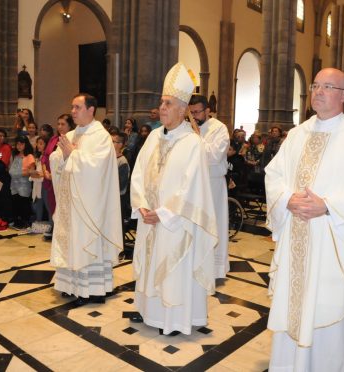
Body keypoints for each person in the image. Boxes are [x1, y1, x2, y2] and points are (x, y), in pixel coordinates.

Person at [265, 67, 344, 371]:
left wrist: (328, 207)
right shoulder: (297, 134)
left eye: (328, 87)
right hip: (297, 232)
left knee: (329, 309)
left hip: (335, 242)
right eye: (315, 85)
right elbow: (274, 174)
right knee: (294, 310)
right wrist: (287, 198)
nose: (318, 91)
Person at [130, 62, 217, 335]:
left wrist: (165, 213)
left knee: (173, 270)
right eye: (161, 103)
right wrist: (142, 205)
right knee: (150, 264)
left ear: (182, 109)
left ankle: (175, 320)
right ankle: (149, 313)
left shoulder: (193, 143)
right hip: (150, 218)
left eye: (168, 103)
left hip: (177, 223)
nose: (162, 108)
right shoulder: (154, 137)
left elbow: (192, 188)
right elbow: (138, 173)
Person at [49, 93, 122, 304]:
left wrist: (73, 154)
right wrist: (61, 156)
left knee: (85, 243)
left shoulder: (100, 136)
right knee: (70, 242)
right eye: (72, 107)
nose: (73, 111)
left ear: (91, 110)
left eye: (77, 107)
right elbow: (58, 159)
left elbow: (97, 168)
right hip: (70, 203)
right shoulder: (72, 134)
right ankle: (70, 284)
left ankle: (91, 288)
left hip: (89, 205)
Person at [188, 93, 230, 279]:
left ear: (207, 110)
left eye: (198, 112)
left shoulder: (219, 129)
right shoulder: (187, 128)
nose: (195, 116)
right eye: (191, 113)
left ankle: (214, 270)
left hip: (213, 184)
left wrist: (197, 136)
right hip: (193, 183)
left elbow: (214, 156)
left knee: (214, 224)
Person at [9, 136, 35, 229]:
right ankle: (16, 221)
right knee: (15, 203)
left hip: (24, 184)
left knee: (24, 203)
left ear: (26, 145)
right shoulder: (15, 156)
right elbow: (11, 170)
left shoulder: (29, 156)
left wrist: (20, 173)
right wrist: (18, 173)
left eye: (21, 144)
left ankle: (25, 222)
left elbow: (31, 172)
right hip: (14, 184)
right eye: (17, 144)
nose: (19, 146)